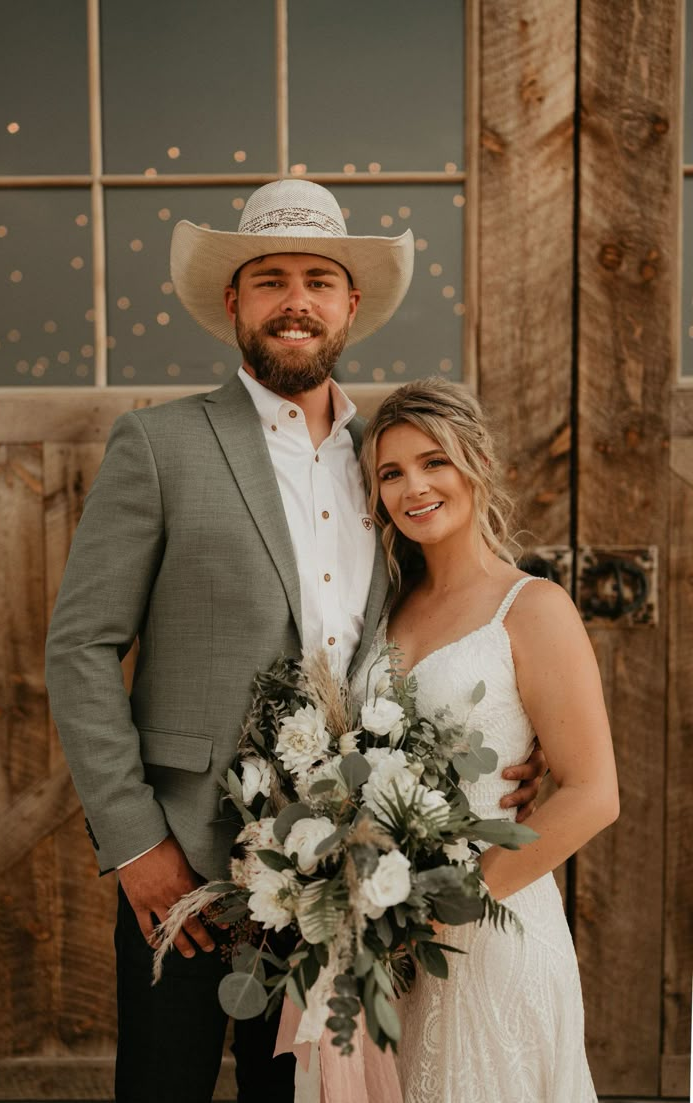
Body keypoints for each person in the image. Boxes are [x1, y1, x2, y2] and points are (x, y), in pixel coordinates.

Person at [44, 181, 545, 1103]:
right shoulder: (159, 446)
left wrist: (514, 744)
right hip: (182, 863)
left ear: (350, 304)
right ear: (234, 303)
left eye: (319, 279)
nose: (296, 300)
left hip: (345, 874)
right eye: (270, 279)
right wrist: (131, 840)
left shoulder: (389, 459)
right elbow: (80, 647)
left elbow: (445, 617)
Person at [355, 378, 620, 1103]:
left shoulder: (533, 607)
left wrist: (451, 903)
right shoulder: (382, 606)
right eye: (391, 472)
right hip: (387, 943)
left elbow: (594, 793)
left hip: (492, 929)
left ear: (478, 464)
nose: (415, 486)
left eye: (433, 461)